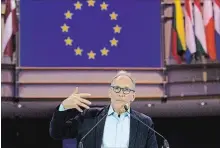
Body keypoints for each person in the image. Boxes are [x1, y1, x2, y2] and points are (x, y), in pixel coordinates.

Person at [49, 70, 158, 148]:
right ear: (109, 93)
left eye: (126, 90)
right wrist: (63, 107)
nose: (121, 93)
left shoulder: (144, 123)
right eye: (116, 88)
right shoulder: (89, 117)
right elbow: (57, 133)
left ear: (133, 96)